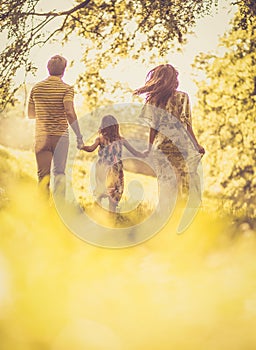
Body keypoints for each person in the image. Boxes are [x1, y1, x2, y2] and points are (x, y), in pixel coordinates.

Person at [134, 63, 205, 202]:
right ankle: (185, 213)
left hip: (160, 146)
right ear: (174, 80)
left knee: (165, 182)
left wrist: (149, 148)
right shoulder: (182, 97)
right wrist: (196, 145)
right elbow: (187, 124)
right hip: (179, 144)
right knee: (184, 181)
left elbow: (153, 127)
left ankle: (166, 215)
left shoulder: (155, 100)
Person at [28, 55, 83, 199]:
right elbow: (70, 112)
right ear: (64, 70)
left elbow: (31, 114)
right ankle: (58, 212)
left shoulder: (36, 88)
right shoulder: (67, 89)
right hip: (60, 137)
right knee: (59, 173)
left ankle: (43, 211)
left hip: (41, 137)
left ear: (48, 69)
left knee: (43, 176)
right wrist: (79, 135)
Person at [81, 115, 144, 212]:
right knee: (115, 192)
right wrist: (144, 153)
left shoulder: (100, 139)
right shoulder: (120, 140)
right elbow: (135, 152)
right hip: (116, 169)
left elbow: (90, 149)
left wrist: (82, 146)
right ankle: (112, 213)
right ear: (115, 126)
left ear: (103, 126)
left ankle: (98, 210)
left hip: (102, 168)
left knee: (101, 189)